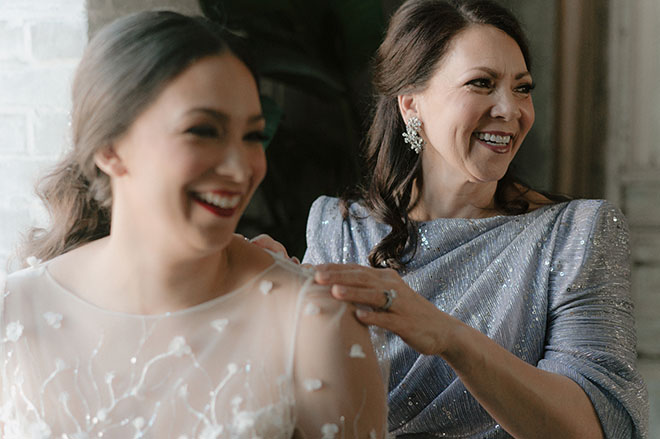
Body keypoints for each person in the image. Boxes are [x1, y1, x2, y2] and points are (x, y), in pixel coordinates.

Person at [254, 0, 649, 437]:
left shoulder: (576, 234)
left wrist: (448, 336)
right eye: (482, 83)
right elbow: (308, 415)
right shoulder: (339, 228)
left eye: (522, 88)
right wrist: (264, 312)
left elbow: (600, 427)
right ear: (411, 106)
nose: (511, 110)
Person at [0, 11, 387, 438]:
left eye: (253, 136)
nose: (242, 169)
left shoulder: (315, 325)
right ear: (110, 148)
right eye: (204, 131)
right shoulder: (13, 313)